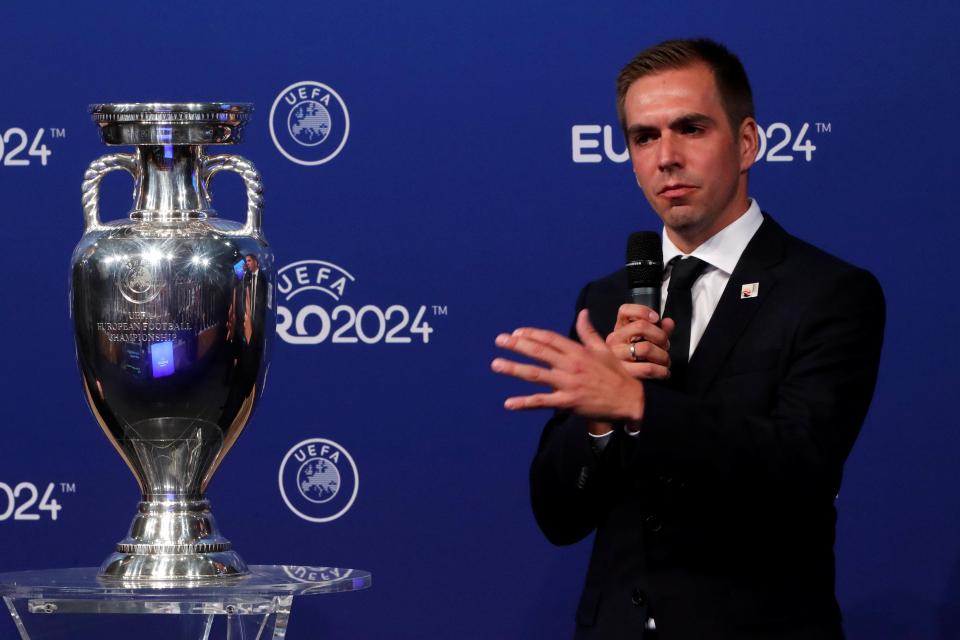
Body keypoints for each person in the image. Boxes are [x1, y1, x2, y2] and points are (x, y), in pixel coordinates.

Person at [491, 38, 885, 639]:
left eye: (691, 129)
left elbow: (799, 471)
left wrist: (640, 406)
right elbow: (559, 516)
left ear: (747, 142)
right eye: (644, 137)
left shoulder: (829, 293)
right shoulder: (604, 300)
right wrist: (597, 424)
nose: (666, 157)